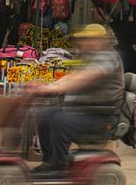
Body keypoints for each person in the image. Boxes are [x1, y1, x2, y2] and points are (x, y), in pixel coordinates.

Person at [28, 24, 125, 176]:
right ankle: (49, 161)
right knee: (45, 115)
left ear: (100, 41)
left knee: (59, 121)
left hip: (101, 117)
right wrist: (48, 86)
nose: (84, 43)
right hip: (85, 112)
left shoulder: (108, 57)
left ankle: (59, 166)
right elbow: (72, 76)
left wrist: (52, 89)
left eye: (88, 39)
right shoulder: (88, 57)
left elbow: (85, 77)